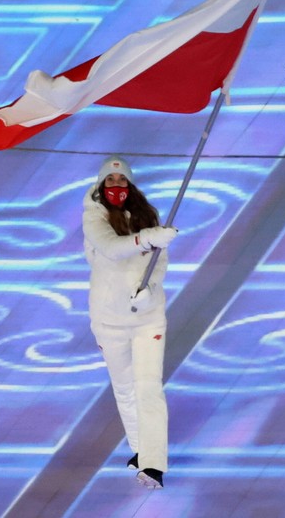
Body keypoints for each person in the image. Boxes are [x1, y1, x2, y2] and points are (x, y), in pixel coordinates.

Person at [82, 155, 178, 488]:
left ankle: (153, 465)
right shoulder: (93, 219)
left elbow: (160, 263)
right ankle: (140, 450)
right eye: (111, 181)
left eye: (122, 181)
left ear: (130, 185)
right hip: (109, 321)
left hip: (148, 319)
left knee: (148, 388)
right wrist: (148, 238)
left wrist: (151, 290)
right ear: (101, 184)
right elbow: (111, 248)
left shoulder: (146, 216)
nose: (117, 187)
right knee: (125, 390)